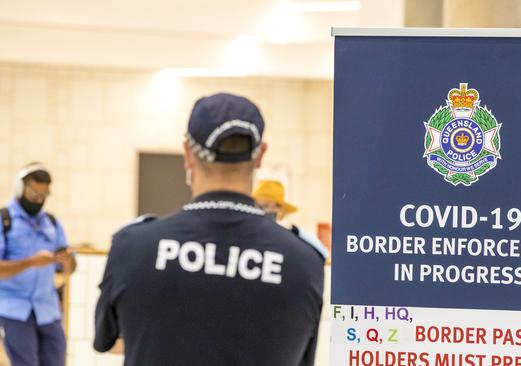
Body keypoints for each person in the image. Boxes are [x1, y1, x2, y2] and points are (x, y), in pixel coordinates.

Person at [94, 93, 324, 366]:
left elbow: (105, 340)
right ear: (260, 155)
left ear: (188, 154)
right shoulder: (304, 262)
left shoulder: (133, 246)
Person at [0, 163, 76, 366]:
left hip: (47, 309)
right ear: (20, 188)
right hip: (15, 309)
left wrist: (68, 261)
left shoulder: (51, 222)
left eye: (44, 194)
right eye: (34, 193)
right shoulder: (4, 220)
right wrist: (31, 262)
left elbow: (69, 269)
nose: (39, 199)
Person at [253, 180, 328, 260]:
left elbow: (323, 253)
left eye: (274, 206)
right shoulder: (249, 231)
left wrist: (295, 231)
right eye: (261, 206)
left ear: (280, 211)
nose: (267, 211)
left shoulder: (289, 234)